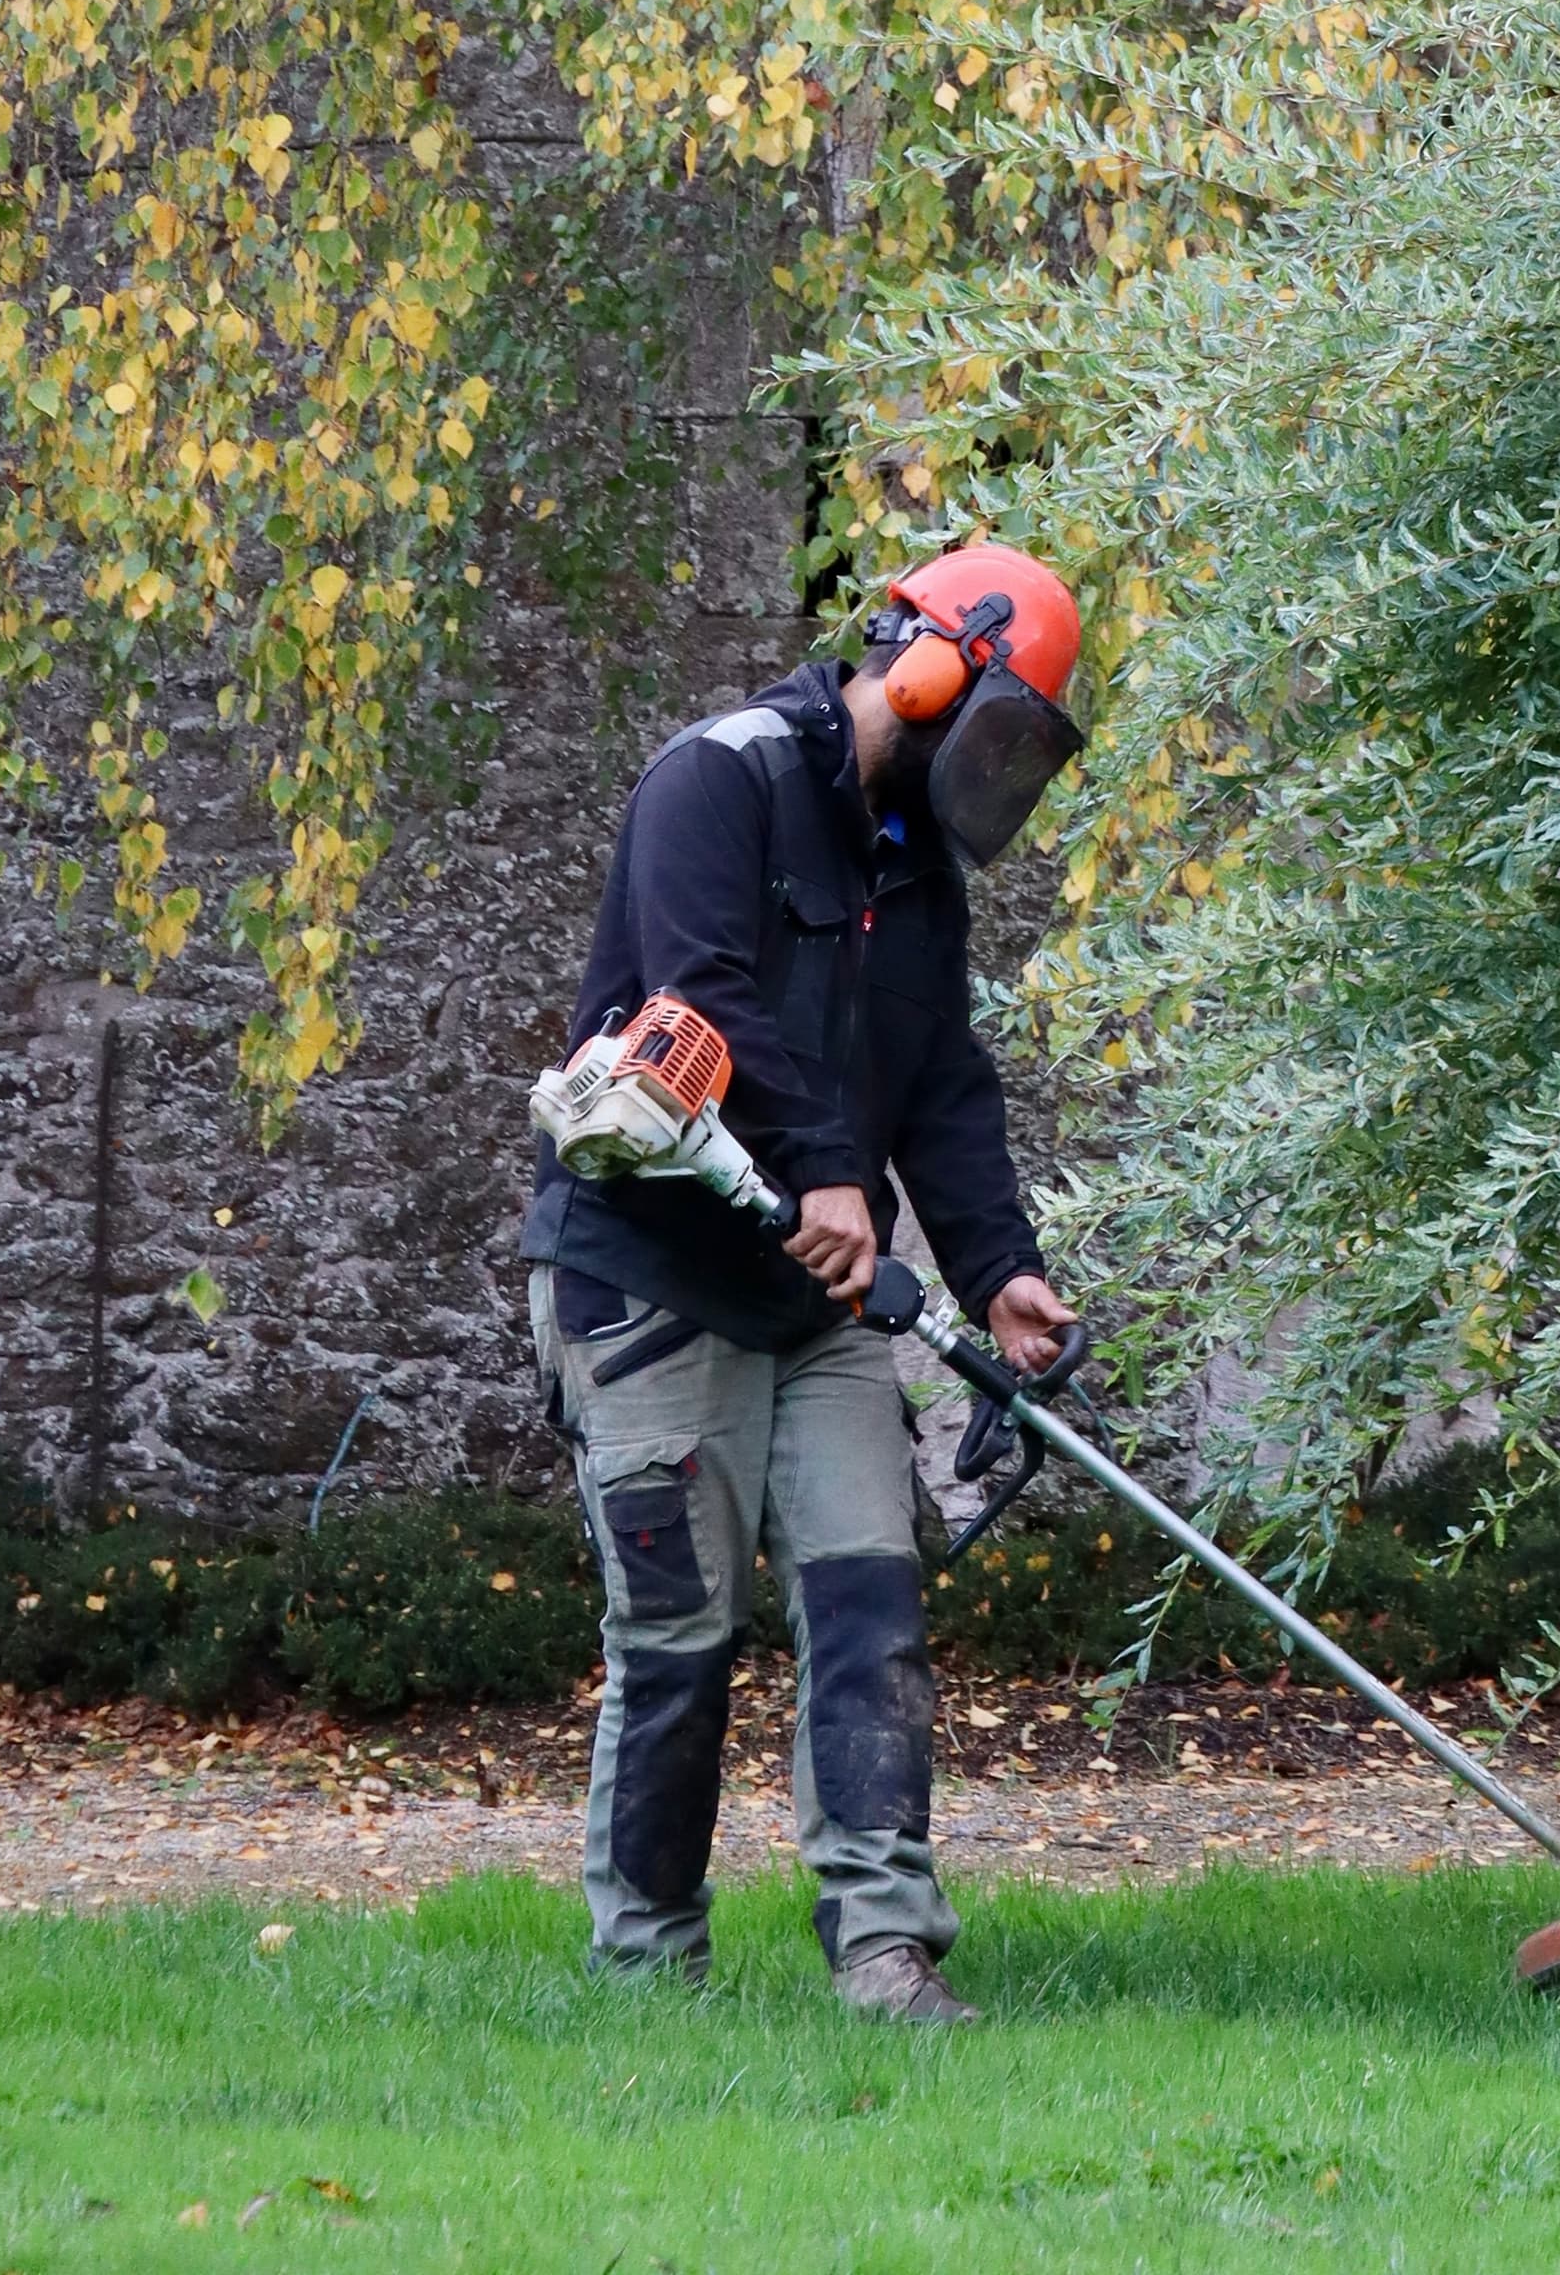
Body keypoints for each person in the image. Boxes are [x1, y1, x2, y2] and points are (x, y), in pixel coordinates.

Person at [521, 540, 1090, 2026]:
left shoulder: (916, 869)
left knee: (868, 1608)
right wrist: (827, 1165)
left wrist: (999, 1269)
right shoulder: (719, 779)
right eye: (1005, 728)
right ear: (930, 665)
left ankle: (887, 1954)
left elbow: (945, 1084)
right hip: (650, 1278)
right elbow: (696, 987)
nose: (1004, 770)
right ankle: (649, 1971)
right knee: (678, 1639)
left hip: (818, 1304)